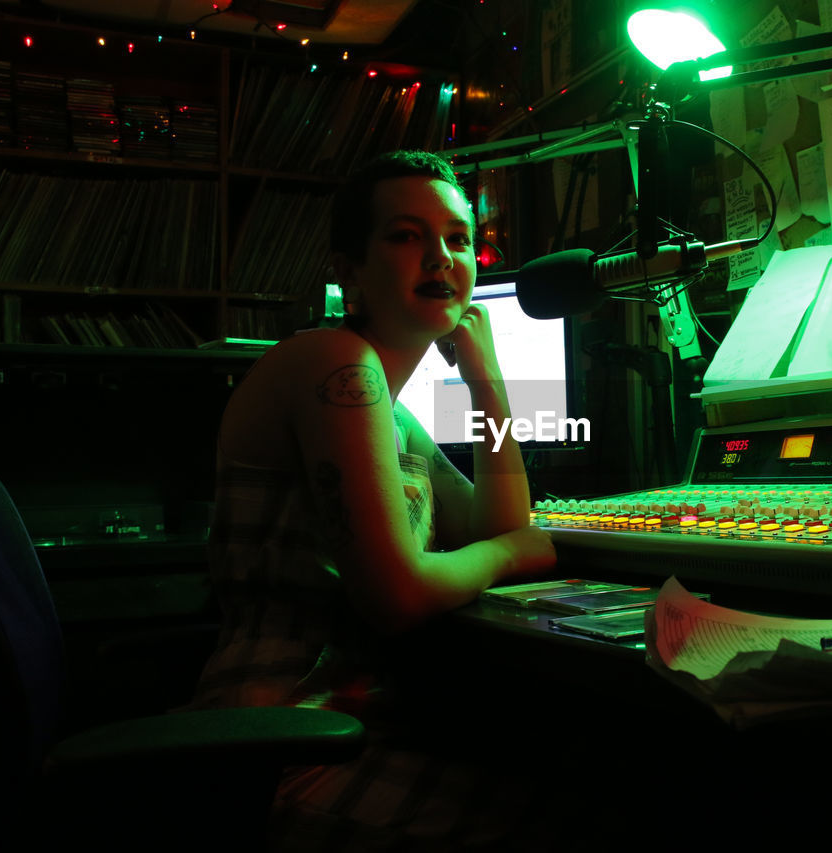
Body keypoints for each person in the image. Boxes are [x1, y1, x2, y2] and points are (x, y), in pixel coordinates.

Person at [190, 150, 558, 850]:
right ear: (348, 273)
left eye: (456, 237)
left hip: (345, 729)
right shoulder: (335, 362)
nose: (440, 256)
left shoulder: (388, 406)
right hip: (280, 747)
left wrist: (486, 380)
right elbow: (402, 592)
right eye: (405, 235)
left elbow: (501, 521)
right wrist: (510, 553)